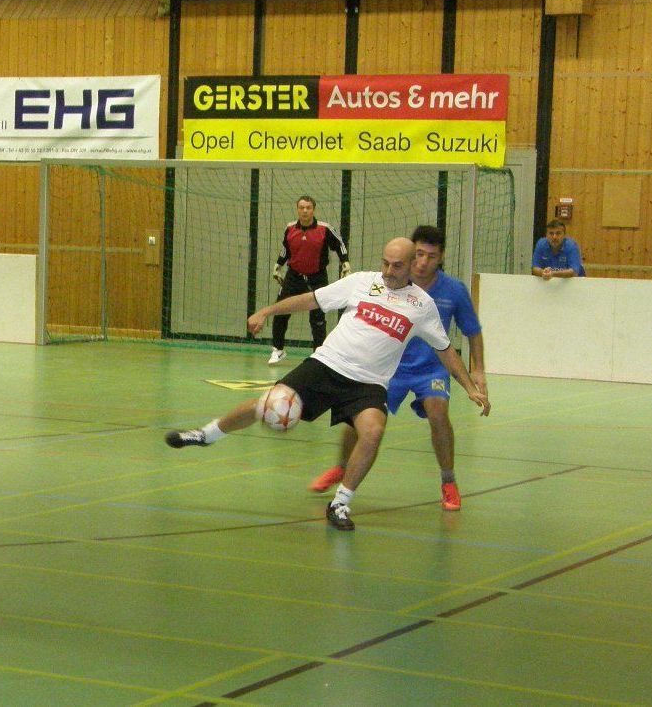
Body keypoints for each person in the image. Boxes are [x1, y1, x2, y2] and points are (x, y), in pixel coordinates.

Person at [166, 237, 489, 531]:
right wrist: (267, 310)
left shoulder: (422, 306)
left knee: (373, 431)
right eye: (385, 263)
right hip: (327, 364)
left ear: (410, 265)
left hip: (368, 382)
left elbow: (445, 349)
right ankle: (206, 434)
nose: (389, 271)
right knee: (266, 403)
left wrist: (469, 385)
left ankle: (340, 503)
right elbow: (310, 299)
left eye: (398, 266)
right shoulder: (361, 282)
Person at [309, 225, 488, 511]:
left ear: (440, 258)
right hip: (387, 370)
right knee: (356, 421)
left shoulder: (453, 290)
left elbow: (473, 331)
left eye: (431, 256)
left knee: (438, 414)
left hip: (430, 369)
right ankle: (342, 468)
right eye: (418, 254)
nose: (422, 262)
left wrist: (477, 371)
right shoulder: (387, 282)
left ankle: (448, 481)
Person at [268, 195, 350, 365]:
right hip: (294, 276)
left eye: (308, 208)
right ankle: (278, 349)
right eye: (301, 207)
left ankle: (318, 354)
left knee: (318, 318)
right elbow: (285, 249)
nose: (305, 211)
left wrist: (345, 263)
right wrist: (278, 264)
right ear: (297, 209)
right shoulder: (290, 228)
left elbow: (339, 244)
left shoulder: (325, 229)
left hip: (317, 278)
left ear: (313, 209)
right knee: (280, 311)